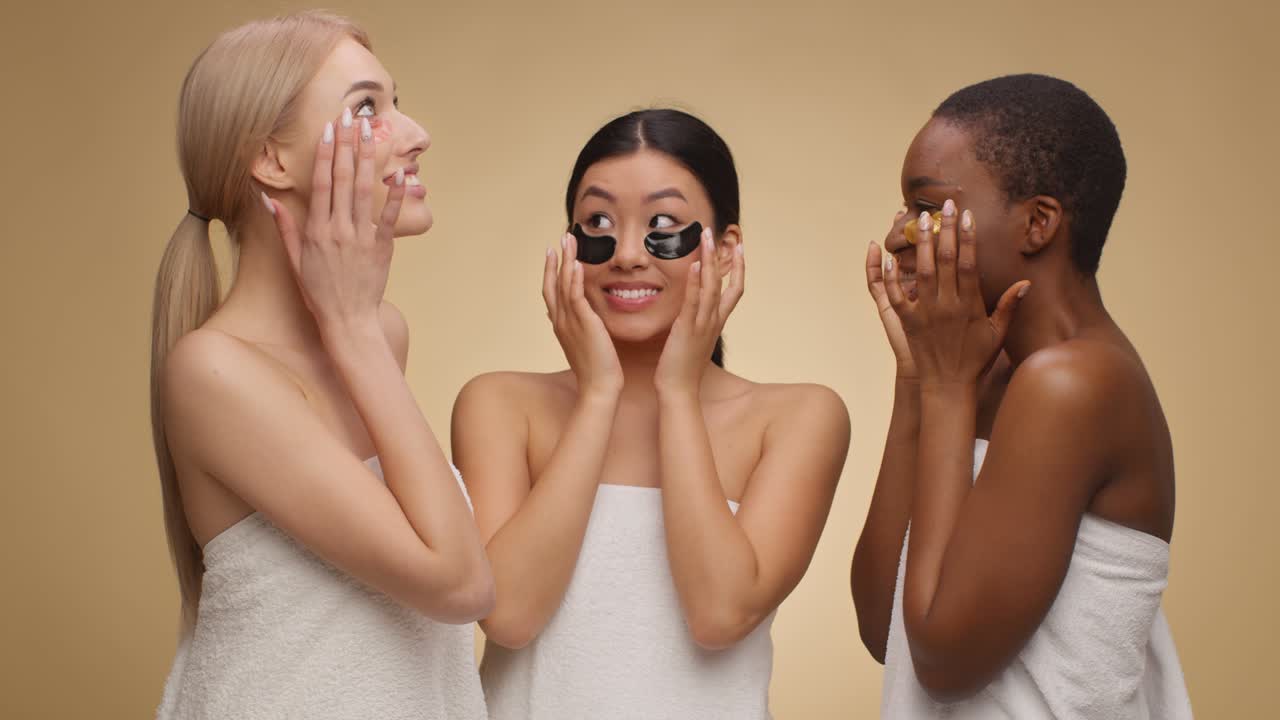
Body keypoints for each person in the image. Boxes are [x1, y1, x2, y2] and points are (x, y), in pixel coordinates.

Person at [452, 109, 850, 719]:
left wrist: (678, 394)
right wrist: (597, 397)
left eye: (663, 224)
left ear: (726, 249)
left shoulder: (797, 418)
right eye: (598, 222)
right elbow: (509, 616)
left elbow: (719, 614)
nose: (628, 254)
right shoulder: (501, 406)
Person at [151, 12, 491, 718]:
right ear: (273, 161)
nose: (416, 133)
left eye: (395, 101)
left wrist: (358, 331)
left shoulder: (380, 335)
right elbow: (458, 585)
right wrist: (354, 329)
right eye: (367, 107)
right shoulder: (213, 371)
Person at [851, 74, 1193, 719]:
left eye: (927, 209)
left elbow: (944, 665)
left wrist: (947, 392)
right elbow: (883, 628)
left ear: (1037, 223)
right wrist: (919, 381)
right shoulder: (988, 374)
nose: (899, 234)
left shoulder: (1074, 384)